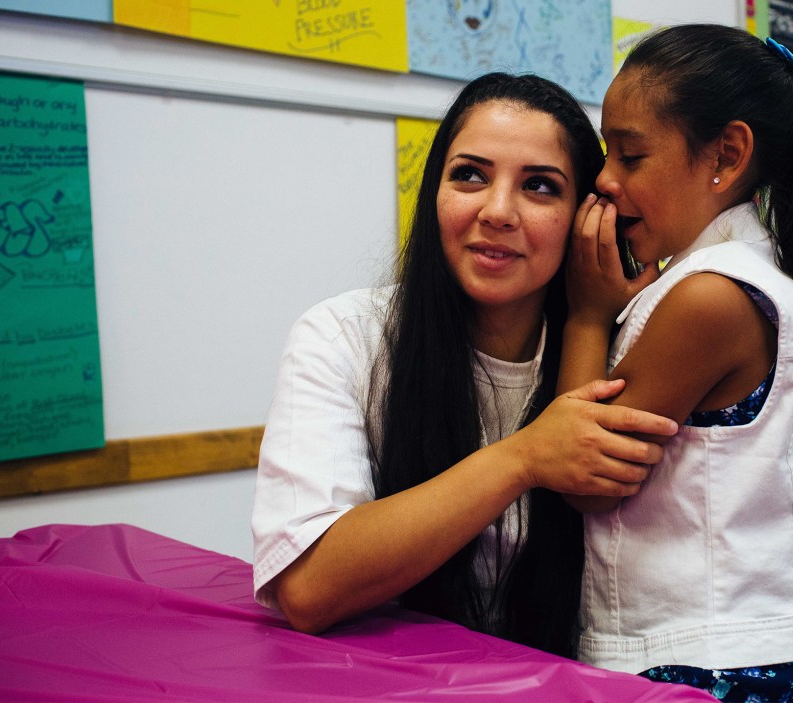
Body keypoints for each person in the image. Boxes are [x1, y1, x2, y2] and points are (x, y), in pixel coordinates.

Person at [251, 72, 680, 658]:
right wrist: (524, 458)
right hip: (394, 684)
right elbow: (307, 586)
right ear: (434, 193)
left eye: (539, 187)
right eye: (470, 175)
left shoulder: (628, 343)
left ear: (588, 215)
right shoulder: (343, 337)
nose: (497, 211)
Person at [558, 24, 793, 701]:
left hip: (714, 660)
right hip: (742, 642)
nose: (603, 179)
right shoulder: (737, 271)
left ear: (727, 155)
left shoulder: (709, 298)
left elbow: (585, 477)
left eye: (630, 154)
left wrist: (586, 314)